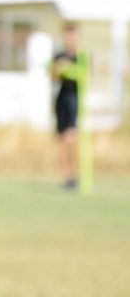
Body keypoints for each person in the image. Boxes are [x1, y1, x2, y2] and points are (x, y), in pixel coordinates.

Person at [51, 23, 81, 190]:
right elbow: (52, 76)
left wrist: (72, 70)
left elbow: (87, 75)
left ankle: (75, 174)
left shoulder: (82, 57)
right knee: (62, 139)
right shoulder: (59, 56)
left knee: (72, 137)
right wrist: (58, 69)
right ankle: (65, 177)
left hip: (75, 99)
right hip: (62, 99)